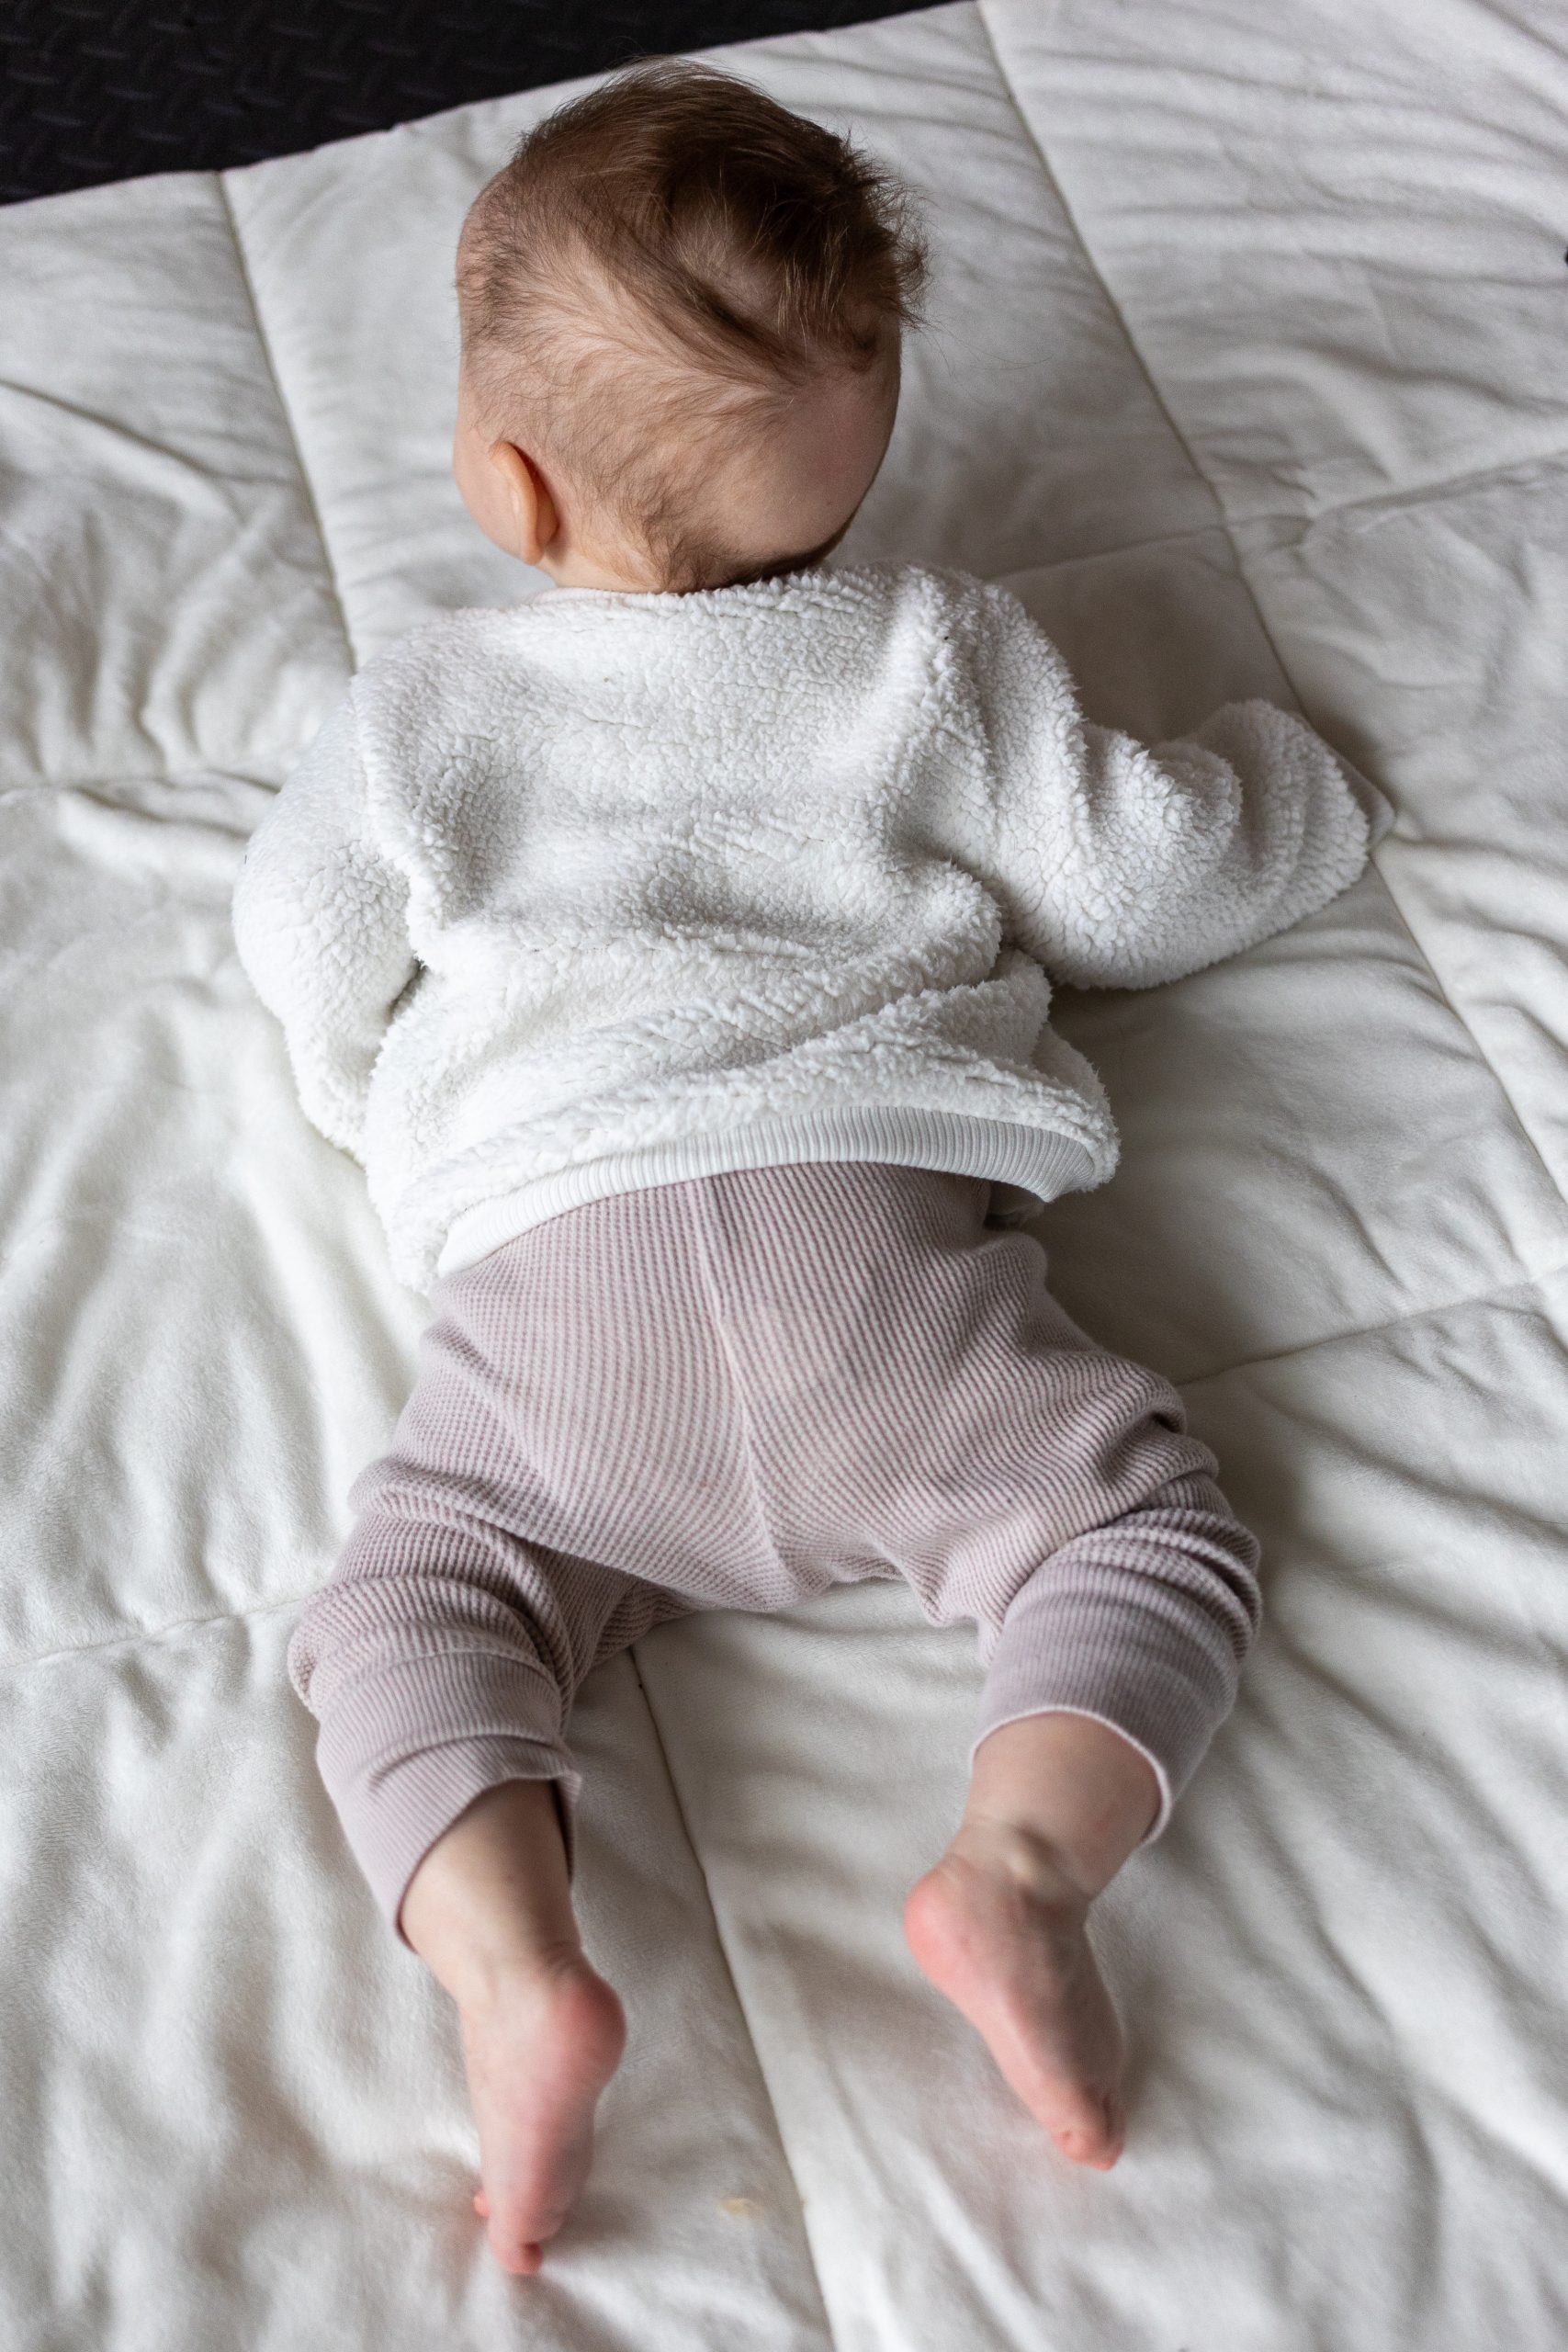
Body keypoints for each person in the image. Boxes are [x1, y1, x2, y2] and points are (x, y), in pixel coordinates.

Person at [231, 57, 1386, 2278]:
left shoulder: (418, 710)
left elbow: (303, 946)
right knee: (1134, 1521)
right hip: (883, 1272)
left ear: (506, 482)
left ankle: (510, 1968)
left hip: (556, 1324)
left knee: (404, 1612)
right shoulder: (931, 652)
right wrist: (1288, 788)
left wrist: (369, 1090)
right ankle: (1016, 1870)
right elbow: (1141, 881)